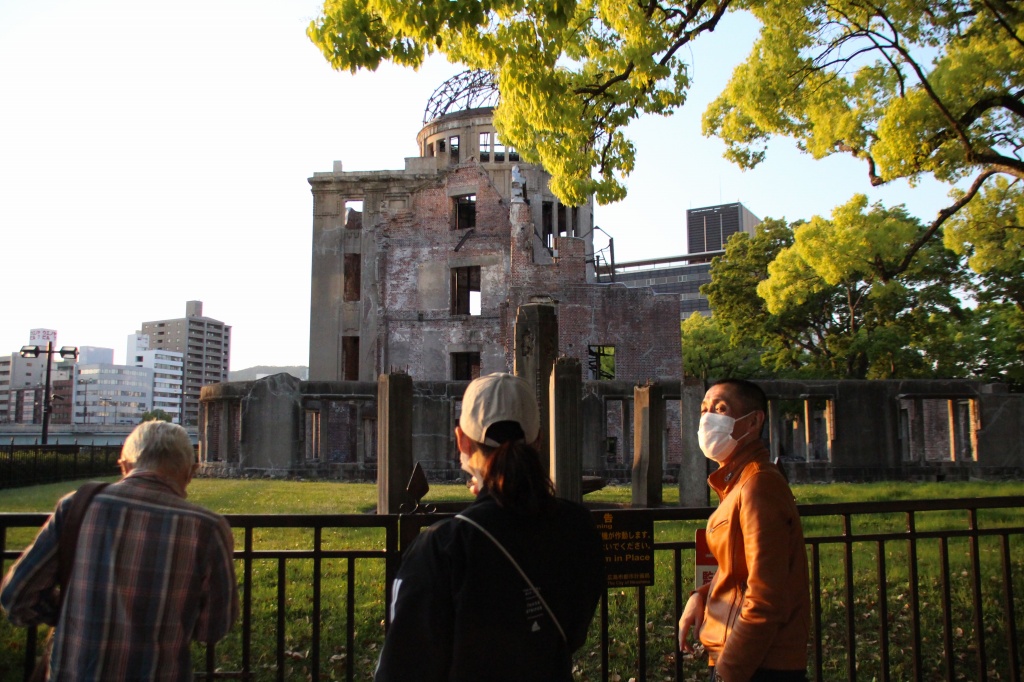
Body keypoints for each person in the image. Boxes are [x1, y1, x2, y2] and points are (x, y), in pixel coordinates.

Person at [374, 372, 605, 682]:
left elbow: (403, 665)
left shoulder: (444, 547)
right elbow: (573, 632)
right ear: (538, 440)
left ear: (462, 440)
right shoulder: (578, 527)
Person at [2, 421, 239, 680]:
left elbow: (17, 596)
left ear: (124, 466)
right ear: (190, 472)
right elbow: (214, 627)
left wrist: (68, 612)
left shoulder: (77, 506)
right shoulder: (208, 528)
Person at [678, 379, 810, 682]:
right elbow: (740, 571)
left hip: (758, 664)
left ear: (753, 422)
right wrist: (702, 595)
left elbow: (765, 597)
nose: (707, 418)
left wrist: (729, 673)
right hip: (743, 656)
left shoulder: (758, 485)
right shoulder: (737, 483)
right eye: (704, 410)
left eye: (721, 409)